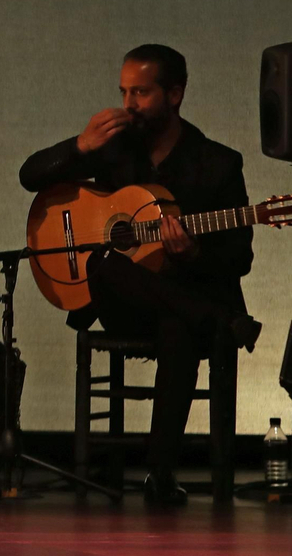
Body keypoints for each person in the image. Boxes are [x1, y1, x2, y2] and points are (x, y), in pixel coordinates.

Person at [18, 44, 259, 505]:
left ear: (175, 94)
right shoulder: (110, 150)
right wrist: (79, 146)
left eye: (141, 92)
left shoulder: (217, 163)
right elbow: (30, 176)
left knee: (178, 326)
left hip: (181, 301)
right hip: (125, 303)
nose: (128, 104)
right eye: (124, 91)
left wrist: (190, 254)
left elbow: (239, 258)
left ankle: (159, 476)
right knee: (104, 264)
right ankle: (218, 320)